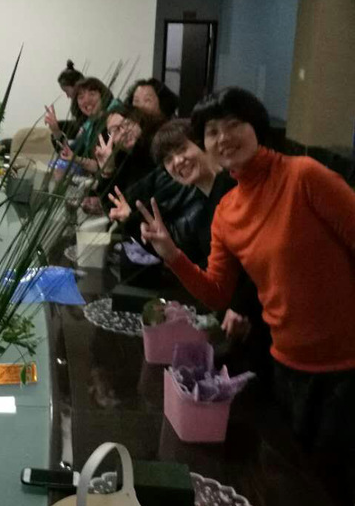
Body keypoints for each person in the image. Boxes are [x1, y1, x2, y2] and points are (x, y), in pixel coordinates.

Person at [137, 88, 355, 502]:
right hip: (284, 366)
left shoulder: (304, 176)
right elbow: (218, 293)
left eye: (234, 124)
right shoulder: (228, 210)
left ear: (257, 126)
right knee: (298, 490)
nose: (224, 137)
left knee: (337, 497)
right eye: (212, 131)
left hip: (344, 369)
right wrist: (172, 254)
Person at [108, 118, 254, 343]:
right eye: (168, 159)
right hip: (223, 309)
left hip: (253, 317)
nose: (177, 161)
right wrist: (161, 246)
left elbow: (259, 260)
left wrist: (240, 305)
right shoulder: (202, 196)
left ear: (203, 144)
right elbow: (194, 259)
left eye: (182, 149)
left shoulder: (233, 189)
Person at [46, 76, 113, 171]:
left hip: (109, 175)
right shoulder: (89, 126)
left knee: (60, 170)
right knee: (57, 167)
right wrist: (56, 131)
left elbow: (102, 166)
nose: (86, 100)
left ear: (103, 95)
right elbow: (69, 153)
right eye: (81, 97)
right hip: (94, 172)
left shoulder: (113, 121)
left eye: (92, 94)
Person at [56, 59, 84, 138]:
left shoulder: (86, 101)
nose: (67, 96)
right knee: (57, 126)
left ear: (76, 85)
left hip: (88, 130)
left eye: (66, 91)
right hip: (81, 127)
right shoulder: (76, 100)